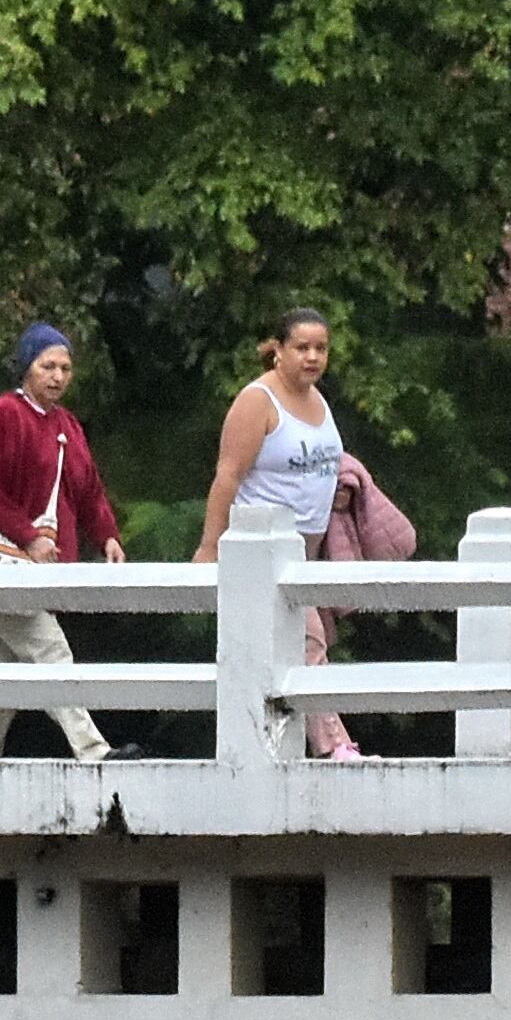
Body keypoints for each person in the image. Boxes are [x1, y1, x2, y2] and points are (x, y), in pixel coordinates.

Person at [195, 307, 366, 758]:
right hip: (264, 549)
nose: (312, 357)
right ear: (278, 350)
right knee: (308, 644)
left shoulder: (319, 401)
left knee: (290, 652)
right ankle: (335, 748)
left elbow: (319, 460)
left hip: (309, 547)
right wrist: (209, 547)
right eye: (302, 347)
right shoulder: (258, 401)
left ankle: (268, 752)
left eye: (321, 348)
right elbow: (228, 475)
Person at [0, 323, 122, 760]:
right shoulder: (2, 415)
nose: (58, 376)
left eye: (65, 367)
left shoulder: (68, 425)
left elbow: (88, 490)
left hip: (38, 567)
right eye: (48, 365)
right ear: (27, 367)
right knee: (51, 649)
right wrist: (27, 536)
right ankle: (93, 751)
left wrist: (106, 534)